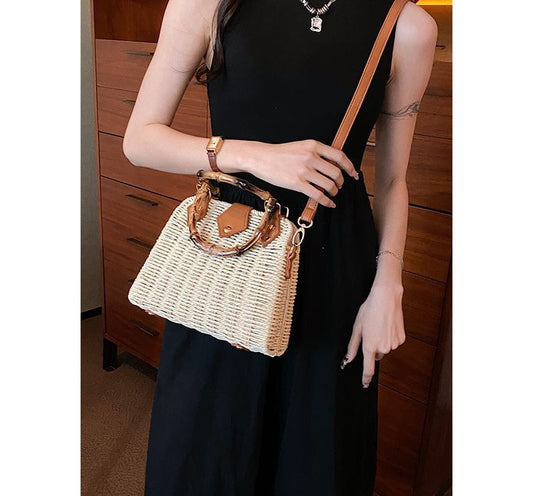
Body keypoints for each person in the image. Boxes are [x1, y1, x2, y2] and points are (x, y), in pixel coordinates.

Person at [123, 0, 437, 494]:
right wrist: (252, 155)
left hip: (335, 270)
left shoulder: (407, 27)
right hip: (231, 256)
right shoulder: (209, 4)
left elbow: (394, 179)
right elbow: (140, 140)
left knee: (315, 460)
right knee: (203, 450)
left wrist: (387, 284)